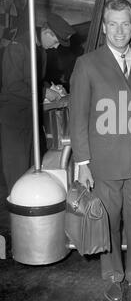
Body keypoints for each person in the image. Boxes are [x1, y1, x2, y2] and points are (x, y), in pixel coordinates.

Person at [69, 0, 131, 301]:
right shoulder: (87, 65)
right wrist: (83, 162)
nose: (119, 30)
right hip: (104, 161)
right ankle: (112, 276)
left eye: (125, 23)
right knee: (108, 222)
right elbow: (78, 117)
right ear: (103, 27)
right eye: (112, 24)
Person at [0, 12, 75, 193]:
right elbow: (13, 86)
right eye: (56, 41)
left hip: (30, 117)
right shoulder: (18, 47)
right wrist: (43, 92)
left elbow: (34, 80)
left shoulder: (40, 50)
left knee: (32, 168)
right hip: (14, 121)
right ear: (48, 33)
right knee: (17, 170)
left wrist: (51, 87)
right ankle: (16, 211)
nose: (56, 47)